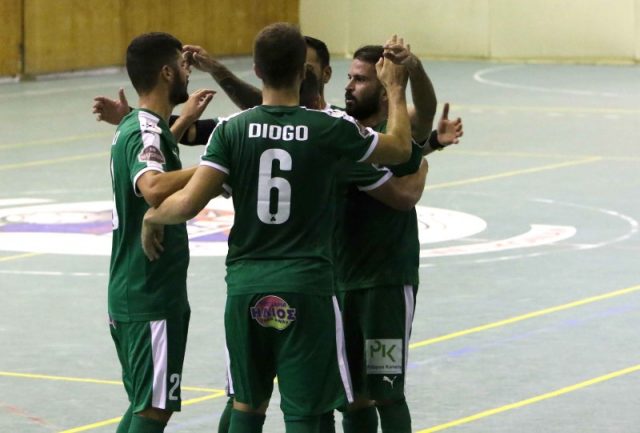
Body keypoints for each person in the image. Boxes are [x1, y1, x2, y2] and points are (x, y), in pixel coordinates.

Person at [139, 22, 413, 433]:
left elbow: (188, 203)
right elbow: (401, 148)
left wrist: (152, 217)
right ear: (303, 73)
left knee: (247, 405)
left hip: (247, 288)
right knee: (305, 411)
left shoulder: (232, 130)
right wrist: (395, 86)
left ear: (256, 69)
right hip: (307, 289)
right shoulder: (330, 129)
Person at [335, 38, 463, 433]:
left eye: (359, 79)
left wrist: (413, 69)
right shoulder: (341, 131)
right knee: (350, 396)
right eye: (349, 77)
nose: (349, 86)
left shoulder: (397, 132)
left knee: (387, 391)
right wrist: (431, 149)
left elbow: (424, 111)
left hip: (385, 284)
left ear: (383, 88)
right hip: (338, 281)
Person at [108, 32, 214, 433]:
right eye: (183, 66)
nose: (189, 72)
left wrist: (184, 119)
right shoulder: (144, 131)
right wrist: (217, 166)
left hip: (140, 288)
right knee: (154, 409)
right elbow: (152, 186)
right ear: (167, 73)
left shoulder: (142, 126)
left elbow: (158, 148)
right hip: (148, 292)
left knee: (145, 403)